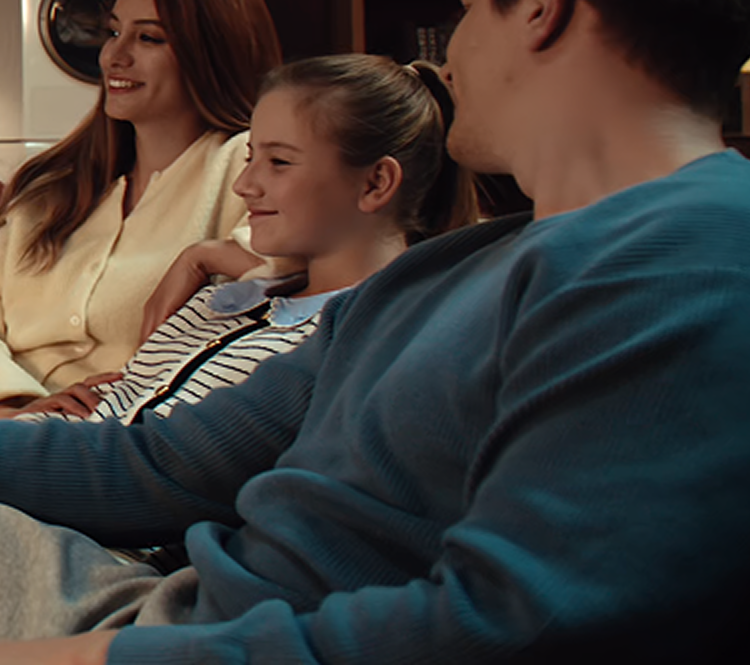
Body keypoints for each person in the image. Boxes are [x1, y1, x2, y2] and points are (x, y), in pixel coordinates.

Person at [1, 0, 750, 665]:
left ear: (541, 3)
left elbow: (510, 625)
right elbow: (158, 466)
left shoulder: (690, 261)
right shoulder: (448, 270)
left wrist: (101, 658)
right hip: (184, 608)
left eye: (469, 8)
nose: (449, 55)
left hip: (195, 639)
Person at [15, 54, 474, 426]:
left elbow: (159, 470)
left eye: (279, 163)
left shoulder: (355, 343)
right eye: (251, 157)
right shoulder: (221, 302)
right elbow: (120, 422)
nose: (244, 184)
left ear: (375, 183)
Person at [0, 0, 281, 416]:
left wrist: (200, 257)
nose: (115, 55)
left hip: (130, 431)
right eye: (113, 32)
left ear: (211, 53)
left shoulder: (245, 163)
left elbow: (307, 270)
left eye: (148, 38)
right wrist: (16, 408)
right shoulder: (51, 187)